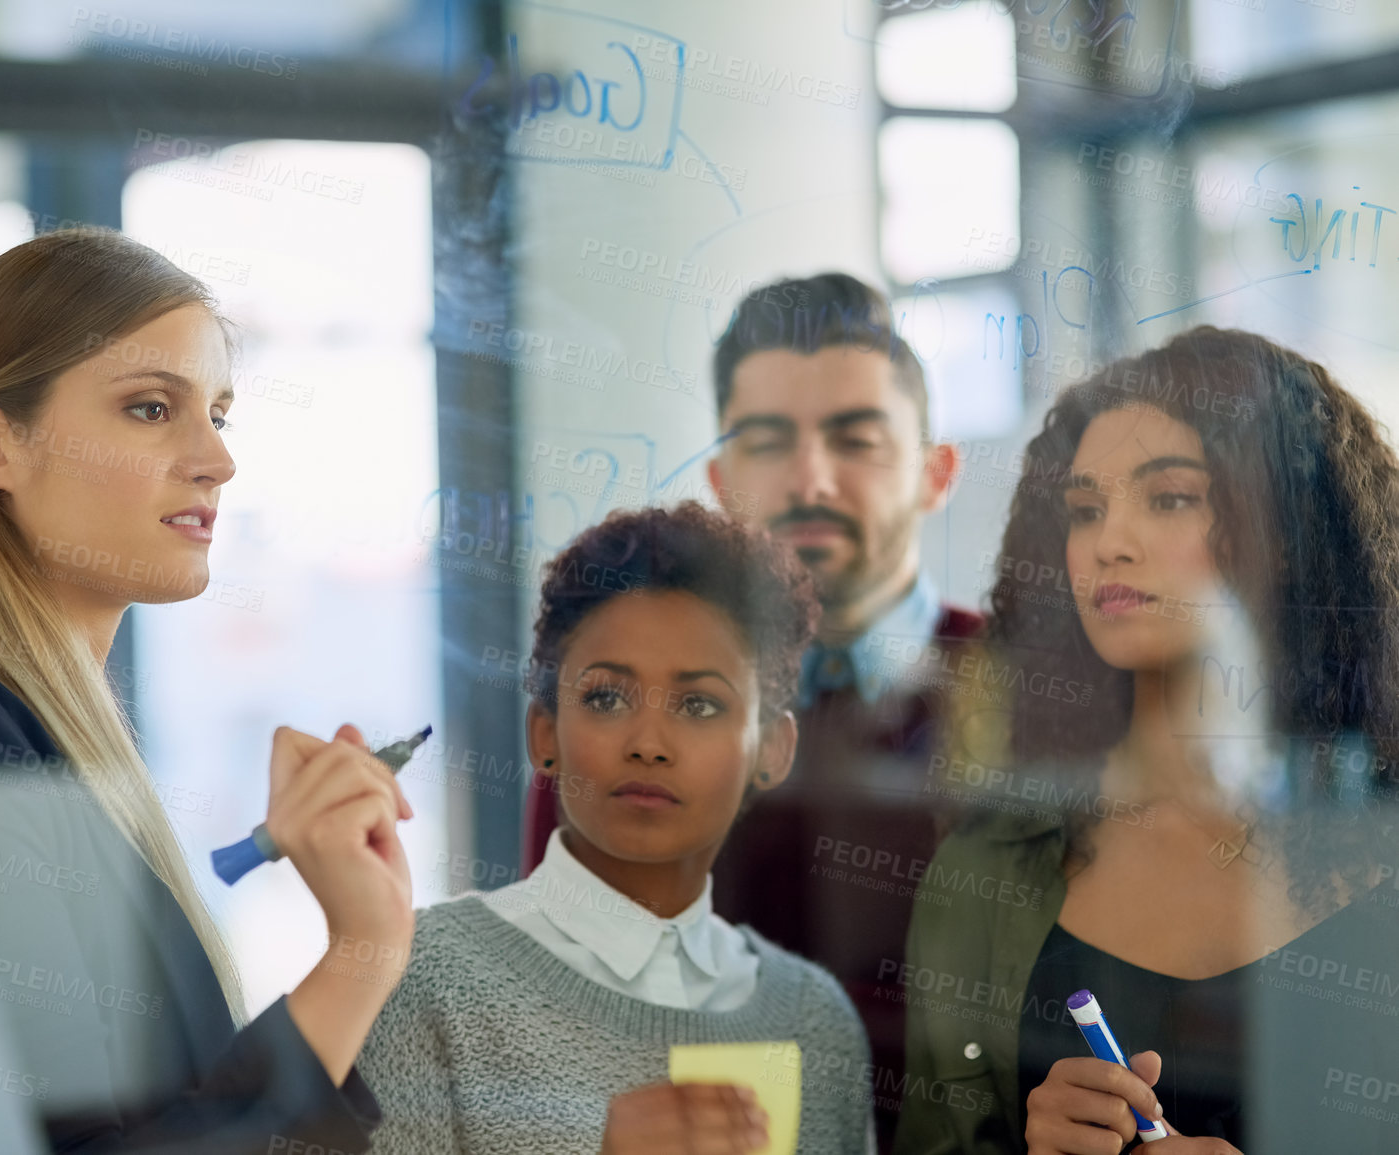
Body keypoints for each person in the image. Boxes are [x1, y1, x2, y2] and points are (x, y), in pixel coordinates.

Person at [0, 228, 415, 1155]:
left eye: (219, 414)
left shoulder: (43, 745)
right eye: (152, 408)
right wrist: (361, 954)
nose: (215, 460)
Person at [895, 327, 1399, 1155]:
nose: (1107, 543)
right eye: (1084, 509)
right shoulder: (986, 869)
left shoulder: (1373, 828)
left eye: (1167, 497)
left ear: (1284, 527)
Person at [521, 272, 977, 1149]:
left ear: (935, 473)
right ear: (723, 479)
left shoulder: (1041, 703)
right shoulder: (611, 717)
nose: (811, 478)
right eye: (769, 441)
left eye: (856, 439)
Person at [361, 502, 873, 1154]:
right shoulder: (422, 978)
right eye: (605, 696)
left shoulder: (816, 1019)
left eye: (699, 703)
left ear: (772, 749)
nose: (649, 743)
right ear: (544, 733)